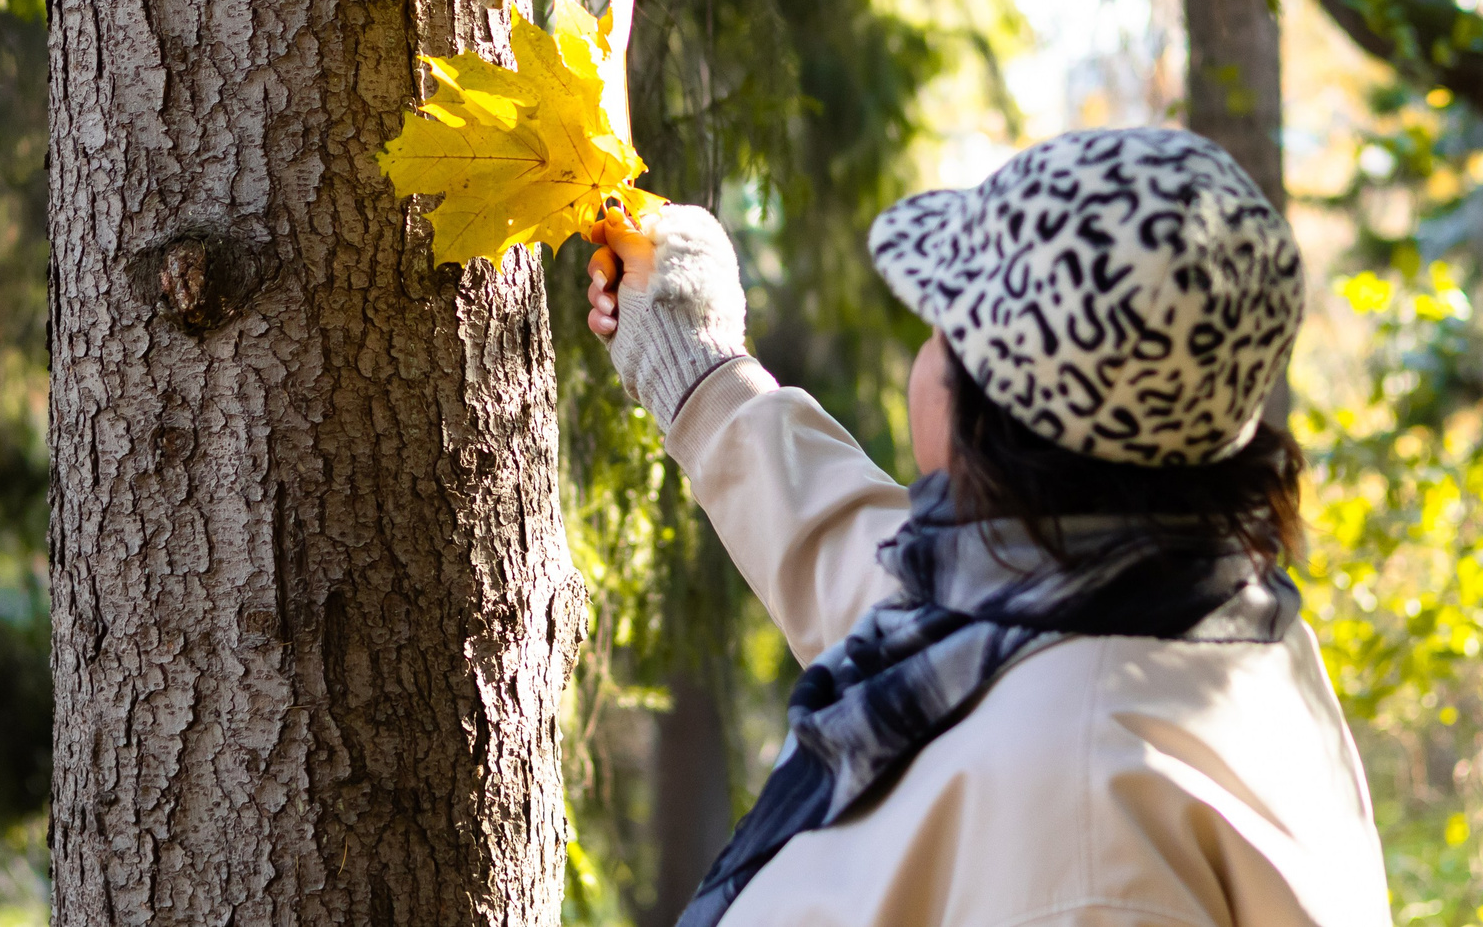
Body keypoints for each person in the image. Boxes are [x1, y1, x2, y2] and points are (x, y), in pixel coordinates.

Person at [585, 127, 1391, 927]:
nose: (923, 357)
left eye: (940, 334)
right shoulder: (1169, 610)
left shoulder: (1087, 824)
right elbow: (886, 592)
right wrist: (701, 371)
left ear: (995, 418)